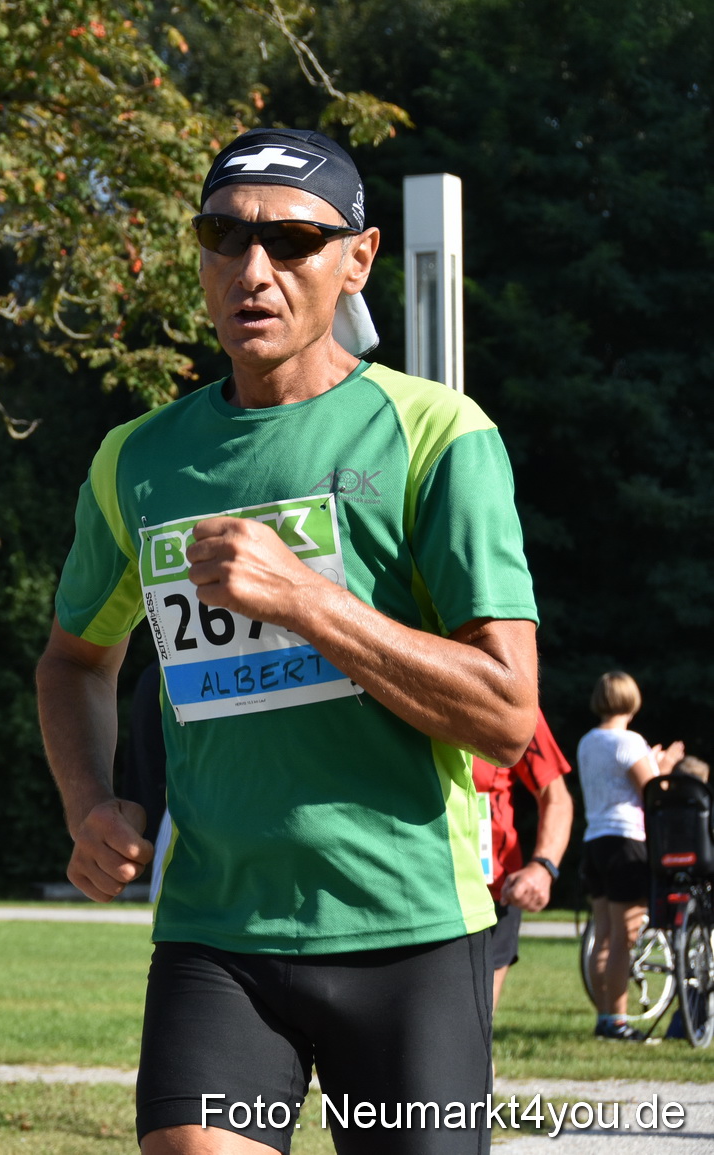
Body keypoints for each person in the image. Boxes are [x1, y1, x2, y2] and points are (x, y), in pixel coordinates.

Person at [35, 127, 538, 1155]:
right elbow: (75, 658)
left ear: (357, 258)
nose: (251, 270)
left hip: (409, 933)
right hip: (216, 934)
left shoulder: (437, 433)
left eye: (294, 242)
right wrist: (89, 806)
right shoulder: (137, 458)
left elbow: (502, 712)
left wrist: (310, 604)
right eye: (223, 238)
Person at [577, 670, 680, 1043]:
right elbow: (654, 792)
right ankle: (617, 1020)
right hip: (626, 841)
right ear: (631, 700)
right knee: (625, 938)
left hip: (595, 841)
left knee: (603, 934)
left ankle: (604, 1014)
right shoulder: (630, 741)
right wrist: (664, 765)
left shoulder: (588, 741)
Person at [473, 708, 574, 1011]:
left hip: (491, 891)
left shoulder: (506, 696)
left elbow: (555, 796)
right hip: (406, 886)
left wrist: (543, 867)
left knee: (476, 1031)